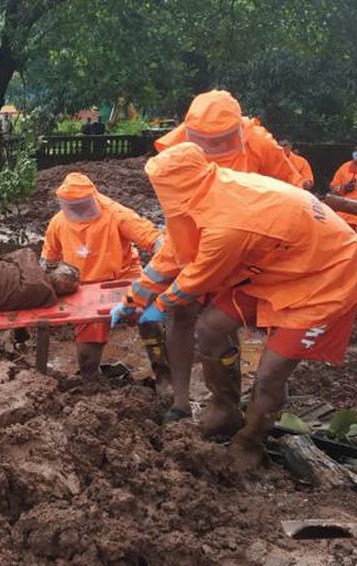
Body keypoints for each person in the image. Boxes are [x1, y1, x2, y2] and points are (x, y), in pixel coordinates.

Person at [125, 142, 357, 470]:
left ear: (178, 186)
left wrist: (158, 306)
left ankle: (250, 439)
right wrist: (134, 296)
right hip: (277, 264)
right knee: (210, 327)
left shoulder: (228, 224)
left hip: (327, 273)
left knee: (271, 371)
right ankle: (224, 407)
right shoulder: (203, 191)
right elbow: (177, 250)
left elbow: (196, 278)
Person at [117, 89, 306, 422]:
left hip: (252, 246)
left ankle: (232, 402)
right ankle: (180, 401)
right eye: (203, 141)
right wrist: (139, 297)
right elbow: (177, 219)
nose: (211, 150)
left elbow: (294, 198)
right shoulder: (176, 149)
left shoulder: (261, 146)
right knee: (182, 311)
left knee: (219, 325)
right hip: (202, 236)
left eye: (220, 142)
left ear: (238, 132)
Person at [42, 173, 167, 385]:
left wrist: (166, 263)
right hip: (85, 288)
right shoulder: (59, 222)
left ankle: (165, 376)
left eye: (83, 205)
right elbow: (47, 260)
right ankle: (91, 384)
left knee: (150, 319)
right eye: (74, 206)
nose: (79, 210)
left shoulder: (116, 214)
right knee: (86, 353)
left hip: (124, 276)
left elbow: (153, 239)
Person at [328, 148, 357, 229]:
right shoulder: (345, 167)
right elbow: (333, 188)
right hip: (344, 215)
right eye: (355, 150)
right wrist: (343, 188)